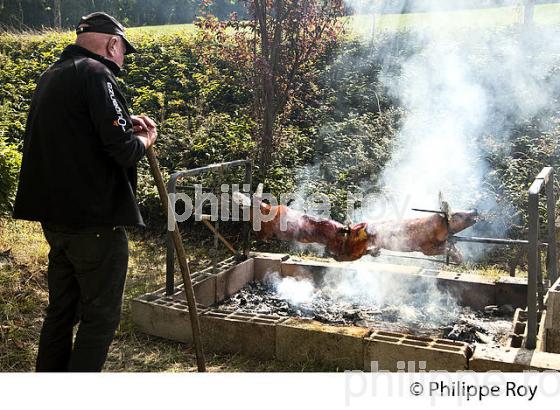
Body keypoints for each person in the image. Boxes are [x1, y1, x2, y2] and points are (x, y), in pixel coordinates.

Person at [12, 12, 157, 372]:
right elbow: (122, 150)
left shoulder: (52, 75)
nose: (123, 58)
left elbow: (83, 134)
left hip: (55, 220)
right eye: (124, 50)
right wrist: (145, 137)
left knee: (61, 311)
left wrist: (125, 121)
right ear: (112, 44)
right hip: (93, 221)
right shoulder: (96, 73)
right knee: (101, 317)